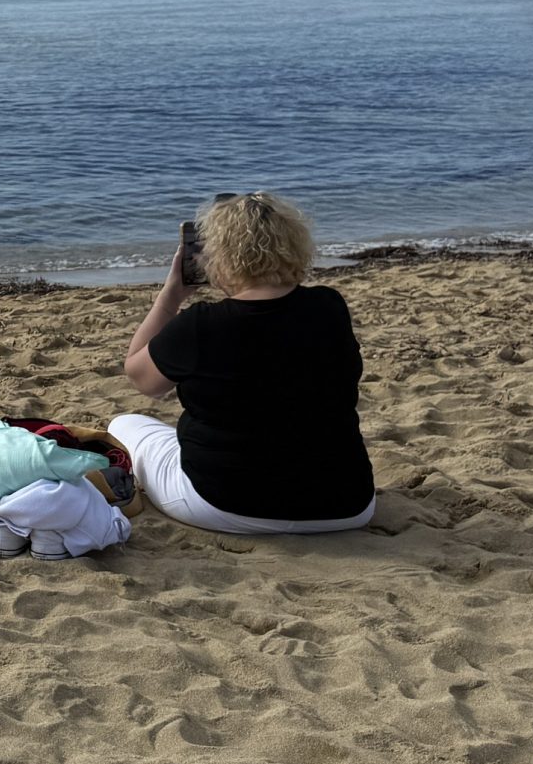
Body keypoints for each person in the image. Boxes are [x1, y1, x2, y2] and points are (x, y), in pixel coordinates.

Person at [107, 191, 375, 535]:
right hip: (346, 504)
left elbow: (141, 377)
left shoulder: (201, 324)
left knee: (123, 425)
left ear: (218, 255)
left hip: (225, 504)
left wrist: (171, 295)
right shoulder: (329, 307)